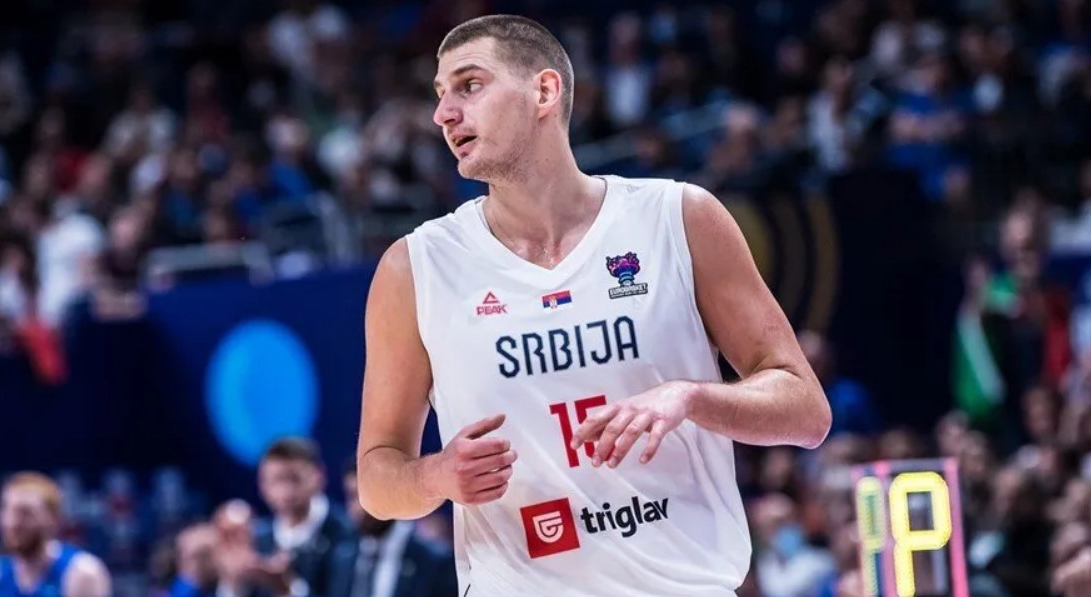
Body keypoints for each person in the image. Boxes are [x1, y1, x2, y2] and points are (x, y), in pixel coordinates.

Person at [356, 14, 831, 596]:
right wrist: (435, 476)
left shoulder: (678, 218)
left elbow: (806, 410)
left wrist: (690, 397)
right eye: (440, 94)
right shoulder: (416, 266)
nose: (443, 113)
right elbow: (377, 479)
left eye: (469, 85)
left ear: (544, 92)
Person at [323, 464, 458, 597]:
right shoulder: (342, 555)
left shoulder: (434, 560)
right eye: (352, 496)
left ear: (390, 493)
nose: (359, 507)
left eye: (368, 495)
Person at [0, 472, 111, 597]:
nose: (12, 523)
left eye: (25, 513)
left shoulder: (81, 574)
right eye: (6, 510)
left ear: (53, 518)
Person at [254, 437, 355, 596]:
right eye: (277, 480)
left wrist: (289, 589)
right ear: (262, 485)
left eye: (295, 479)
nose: (286, 492)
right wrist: (233, 581)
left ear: (319, 476)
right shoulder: (258, 539)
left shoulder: (349, 534)